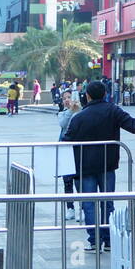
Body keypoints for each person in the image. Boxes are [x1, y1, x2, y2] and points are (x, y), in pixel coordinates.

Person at [63, 81, 135, 251]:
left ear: (88, 95)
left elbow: (65, 140)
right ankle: (107, 239)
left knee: (88, 203)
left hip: (84, 167)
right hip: (107, 164)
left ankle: (94, 239)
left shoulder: (79, 117)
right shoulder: (113, 111)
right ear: (105, 94)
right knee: (107, 202)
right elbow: (134, 126)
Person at [57, 91, 81, 220]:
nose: (67, 100)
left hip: (78, 150)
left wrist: (76, 109)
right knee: (67, 181)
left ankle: (83, 208)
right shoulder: (62, 113)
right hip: (66, 150)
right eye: (65, 98)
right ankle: (70, 208)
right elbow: (63, 124)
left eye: (69, 97)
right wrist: (70, 111)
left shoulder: (81, 111)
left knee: (80, 180)